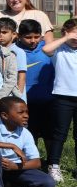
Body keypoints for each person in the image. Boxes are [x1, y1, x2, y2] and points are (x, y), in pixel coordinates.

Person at [42, 19, 77, 183]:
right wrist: (65, 38)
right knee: (60, 134)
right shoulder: (59, 50)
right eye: (73, 33)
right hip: (63, 97)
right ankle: (53, 166)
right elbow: (45, 48)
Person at [16, 20, 53, 149]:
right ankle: (32, 160)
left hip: (47, 100)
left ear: (41, 36)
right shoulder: (14, 51)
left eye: (36, 37)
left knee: (49, 133)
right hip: (25, 102)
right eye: (28, 37)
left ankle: (51, 163)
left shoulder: (48, 50)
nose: (33, 41)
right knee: (29, 133)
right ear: (19, 36)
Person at [0, 19, 27, 97]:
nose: (0, 35)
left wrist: (18, 97)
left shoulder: (18, 52)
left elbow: (21, 76)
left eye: (4, 32)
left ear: (14, 34)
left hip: (14, 96)